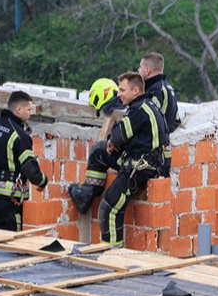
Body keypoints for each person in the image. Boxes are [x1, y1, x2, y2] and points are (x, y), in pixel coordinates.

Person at [67, 72, 168, 246]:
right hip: (134, 160)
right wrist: (113, 142)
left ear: (135, 90)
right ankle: (86, 195)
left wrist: (114, 141)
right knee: (99, 152)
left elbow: (118, 135)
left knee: (109, 210)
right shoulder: (144, 104)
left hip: (139, 169)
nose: (118, 94)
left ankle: (112, 254)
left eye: (122, 90)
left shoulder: (139, 109)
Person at [0, 91, 48, 231]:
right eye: (29, 109)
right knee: (7, 246)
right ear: (19, 109)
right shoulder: (20, 135)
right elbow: (30, 169)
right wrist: (42, 181)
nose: (31, 113)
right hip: (7, 201)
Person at [137, 53, 179, 176]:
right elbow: (176, 119)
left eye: (140, 67)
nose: (138, 70)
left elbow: (150, 120)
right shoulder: (167, 87)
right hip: (166, 151)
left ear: (147, 70)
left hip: (156, 153)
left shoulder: (155, 90)